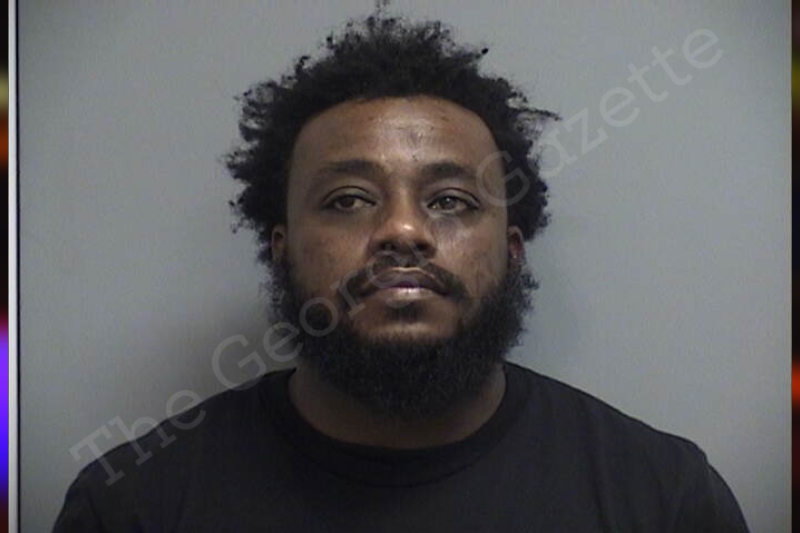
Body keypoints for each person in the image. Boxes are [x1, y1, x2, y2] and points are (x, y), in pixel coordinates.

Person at [53, 12, 750, 532]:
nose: (404, 230)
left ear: (512, 248)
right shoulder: (132, 507)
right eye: (348, 199)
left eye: (450, 200)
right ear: (280, 247)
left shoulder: (664, 498)